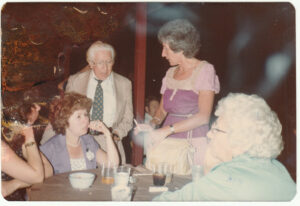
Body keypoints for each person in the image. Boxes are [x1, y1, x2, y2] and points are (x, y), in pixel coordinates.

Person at [153, 93, 296, 201]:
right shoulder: (278, 169)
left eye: (216, 129)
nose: (209, 134)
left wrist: (208, 160)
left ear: (240, 140)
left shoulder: (227, 180)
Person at [135, 19, 220, 175]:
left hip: (194, 142)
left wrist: (166, 130)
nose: (162, 54)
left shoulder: (205, 70)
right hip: (169, 143)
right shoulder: (169, 73)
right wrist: (152, 124)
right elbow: (161, 111)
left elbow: (203, 117)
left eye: (166, 49)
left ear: (181, 48)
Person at [41, 41, 133, 164]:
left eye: (109, 62)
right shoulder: (75, 81)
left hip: (110, 143)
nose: (105, 68)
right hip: (80, 141)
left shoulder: (124, 84)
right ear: (90, 63)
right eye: (100, 63)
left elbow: (128, 118)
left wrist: (115, 135)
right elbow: (65, 113)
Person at [40, 92, 119, 174]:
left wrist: (107, 134)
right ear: (64, 120)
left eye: (86, 115)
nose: (86, 120)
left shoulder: (88, 141)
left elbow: (112, 165)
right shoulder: (50, 148)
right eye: (78, 116)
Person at [1, 102, 53, 200]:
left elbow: (48, 170)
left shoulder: (14, 134)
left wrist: (14, 184)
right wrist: (28, 133)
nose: (38, 107)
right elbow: (37, 176)